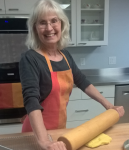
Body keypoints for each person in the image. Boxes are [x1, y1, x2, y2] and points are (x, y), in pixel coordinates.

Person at [19, 0, 125, 150]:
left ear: (61, 24)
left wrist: (109, 106)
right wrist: (43, 141)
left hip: (59, 131)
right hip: (36, 134)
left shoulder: (66, 56)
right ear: (35, 28)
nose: (49, 28)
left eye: (54, 21)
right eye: (42, 22)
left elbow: (82, 82)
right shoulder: (30, 58)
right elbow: (31, 99)